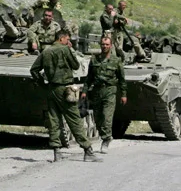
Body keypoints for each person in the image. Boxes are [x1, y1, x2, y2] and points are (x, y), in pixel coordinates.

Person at [30, 29, 100, 162]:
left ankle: (57, 151)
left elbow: (34, 70)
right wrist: (70, 50)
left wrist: (43, 84)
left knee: (54, 119)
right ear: (61, 39)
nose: (68, 42)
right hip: (65, 89)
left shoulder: (46, 51)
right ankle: (87, 150)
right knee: (74, 119)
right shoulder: (65, 49)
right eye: (67, 39)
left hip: (51, 89)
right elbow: (75, 65)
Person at [84, 35, 127, 152]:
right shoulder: (94, 60)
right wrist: (84, 91)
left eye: (107, 44)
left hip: (110, 91)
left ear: (111, 45)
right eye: (103, 44)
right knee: (98, 119)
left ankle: (106, 139)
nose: (104, 46)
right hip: (97, 91)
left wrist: (123, 94)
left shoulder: (116, 61)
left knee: (107, 117)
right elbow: (89, 78)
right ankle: (104, 135)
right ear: (100, 45)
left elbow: (122, 79)